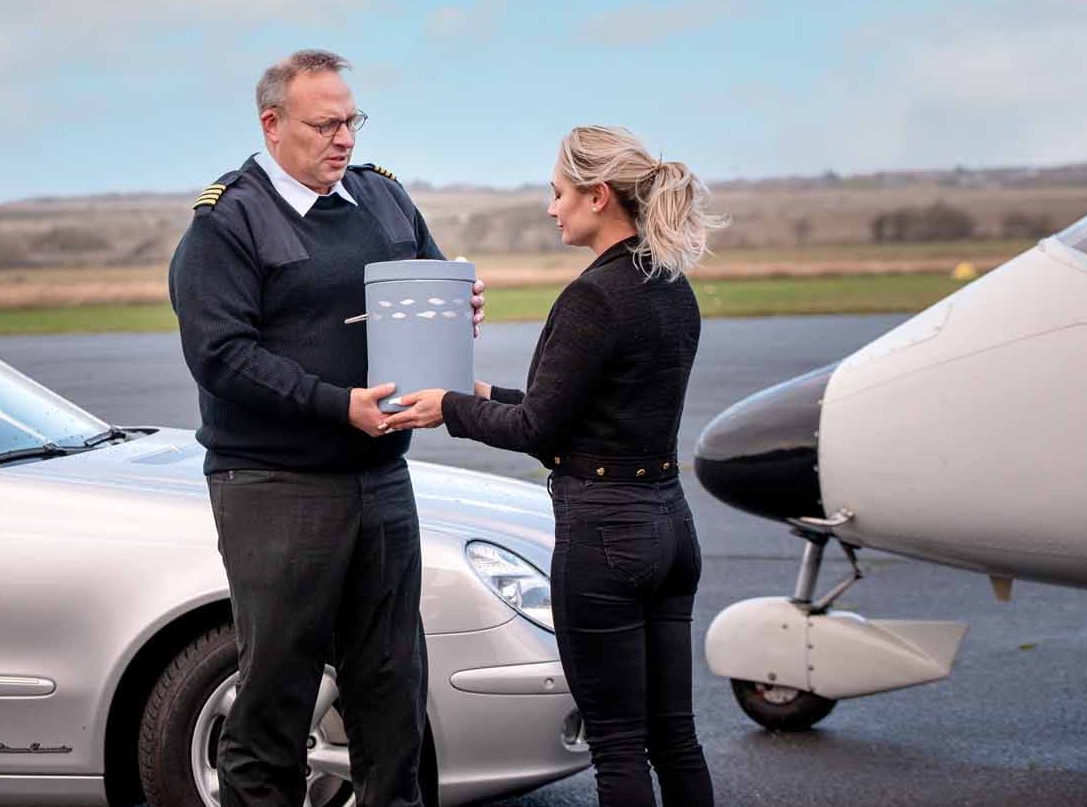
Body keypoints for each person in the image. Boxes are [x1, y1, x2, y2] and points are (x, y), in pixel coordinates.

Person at [167, 49, 483, 807]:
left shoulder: (381, 199)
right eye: (325, 124)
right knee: (276, 701)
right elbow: (221, 357)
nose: (343, 138)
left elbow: (430, 276)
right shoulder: (228, 221)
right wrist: (336, 403)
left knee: (393, 694)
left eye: (351, 120)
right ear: (272, 125)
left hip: (380, 478)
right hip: (276, 486)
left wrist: (456, 307)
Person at [382, 125, 724, 807]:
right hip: (669, 527)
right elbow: (579, 416)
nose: (551, 206)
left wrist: (447, 407)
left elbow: (541, 428)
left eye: (558, 191)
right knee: (674, 737)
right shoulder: (669, 288)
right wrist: (479, 395)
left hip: (605, 539)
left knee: (619, 745)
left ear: (598, 196)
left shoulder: (593, 298)